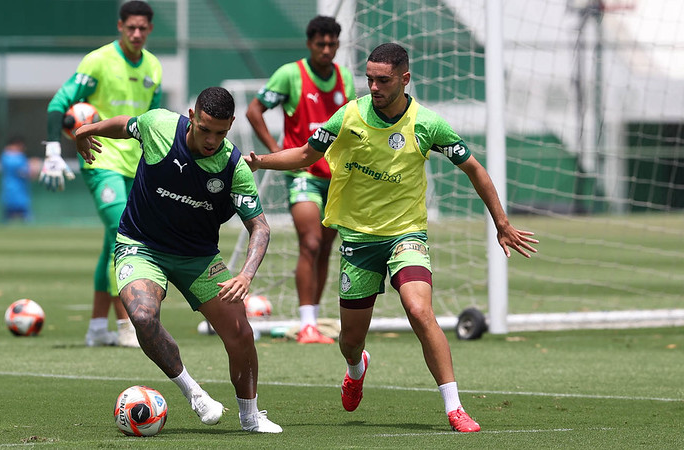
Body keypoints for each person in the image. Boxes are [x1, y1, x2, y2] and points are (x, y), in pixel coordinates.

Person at [245, 43, 539, 432]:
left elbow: (475, 169)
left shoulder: (427, 124)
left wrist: (501, 222)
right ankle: (356, 367)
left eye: (383, 80)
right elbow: (304, 155)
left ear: (405, 79)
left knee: (419, 310)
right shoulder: (349, 116)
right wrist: (259, 161)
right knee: (350, 341)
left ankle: (454, 407)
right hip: (358, 240)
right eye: (369, 78)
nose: (373, 86)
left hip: (406, 235)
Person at [74, 86, 282, 433]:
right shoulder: (159, 126)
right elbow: (127, 124)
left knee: (240, 332)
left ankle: (250, 417)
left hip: (198, 257)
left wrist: (246, 275)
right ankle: (195, 394)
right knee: (142, 316)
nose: (211, 139)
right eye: (204, 129)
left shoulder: (233, 167)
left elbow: (259, 226)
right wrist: (87, 130)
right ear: (191, 116)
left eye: (221, 132)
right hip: (141, 245)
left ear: (231, 124)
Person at [39, 1, 163, 348]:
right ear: (120, 26)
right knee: (124, 236)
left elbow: (154, 121)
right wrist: (52, 151)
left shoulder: (154, 66)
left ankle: (96, 328)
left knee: (113, 241)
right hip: (100, 160)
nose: (136, 34)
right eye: (131, 27)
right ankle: (126, 326)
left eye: (143, 28)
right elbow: (58, 104)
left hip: (136, 165)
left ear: (149, 29)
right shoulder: (97, 61)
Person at [245, 16, 355, 344]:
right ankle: (306, 323)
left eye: (332, 44)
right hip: (302, 172)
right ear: (309, 44)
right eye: (320, 44)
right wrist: (276, 150)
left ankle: (313, 320)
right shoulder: (291, 74)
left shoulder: (344, 77)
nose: (326, 49)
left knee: (325, 248)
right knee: (310, 242)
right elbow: (254, 110)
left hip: (335, 176)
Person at [0, 136, 37, 222]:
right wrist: (34, 165)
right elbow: (27, 173)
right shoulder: (12, 158)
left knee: (14, 217)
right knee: (18, 216)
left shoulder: (7, 156)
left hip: (16, 191)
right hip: (14, 193)